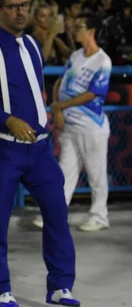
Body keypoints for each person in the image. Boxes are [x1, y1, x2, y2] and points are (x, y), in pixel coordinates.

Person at [0, 0, 80, 307]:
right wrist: (7, 119)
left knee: (57, 214)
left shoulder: (31, 45)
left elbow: (33, 90)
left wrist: (44, 116)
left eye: (24, 6)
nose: (20, 12)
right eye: (12, 7)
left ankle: (60, 286)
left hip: (39, 149)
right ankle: (1, 287)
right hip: (0, 148)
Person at [41, 13, 111, 232]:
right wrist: (55, 104)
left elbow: (93, 94)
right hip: (70, 125)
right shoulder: (76, 55)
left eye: (80, 26)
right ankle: (54, 215)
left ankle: (99, 217)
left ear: (91, 31)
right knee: (64, 172)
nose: (75, 30)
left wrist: (60, 106)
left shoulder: (103, 61)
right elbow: (61, 81)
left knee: (96, 173)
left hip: (91, 127)